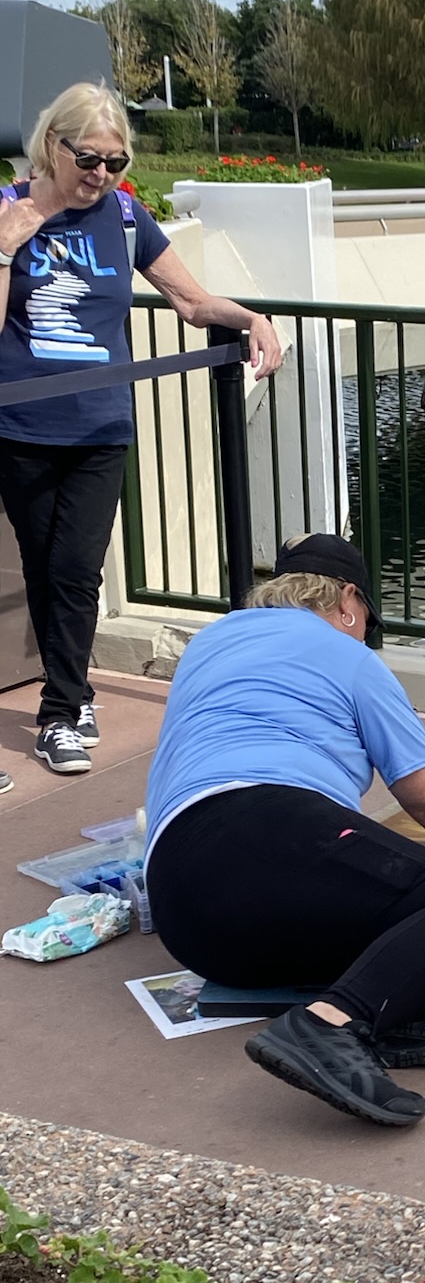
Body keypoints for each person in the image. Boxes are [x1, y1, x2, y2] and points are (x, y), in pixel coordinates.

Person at [144, 534, 425, 1129]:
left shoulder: (209, 642)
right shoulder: (343, 651)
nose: (364, 637)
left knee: (402, 925)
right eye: (366, 625)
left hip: (191, 919)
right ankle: (325, 1027)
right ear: (348, 601)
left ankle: (373, 1030)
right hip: (264, 826)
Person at [0, 82, 283, 782]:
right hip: (22, 425)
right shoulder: (7, 210)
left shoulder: (125, 217)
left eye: (116, 162)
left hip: (101, 427)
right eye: (89, 158)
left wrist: (252, 319)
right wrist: (6, 249)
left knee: (75, 569)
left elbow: (189, 302)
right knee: (44, 570)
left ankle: (60, 713)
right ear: (52, 146)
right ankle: (76, 690)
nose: (101, 174)